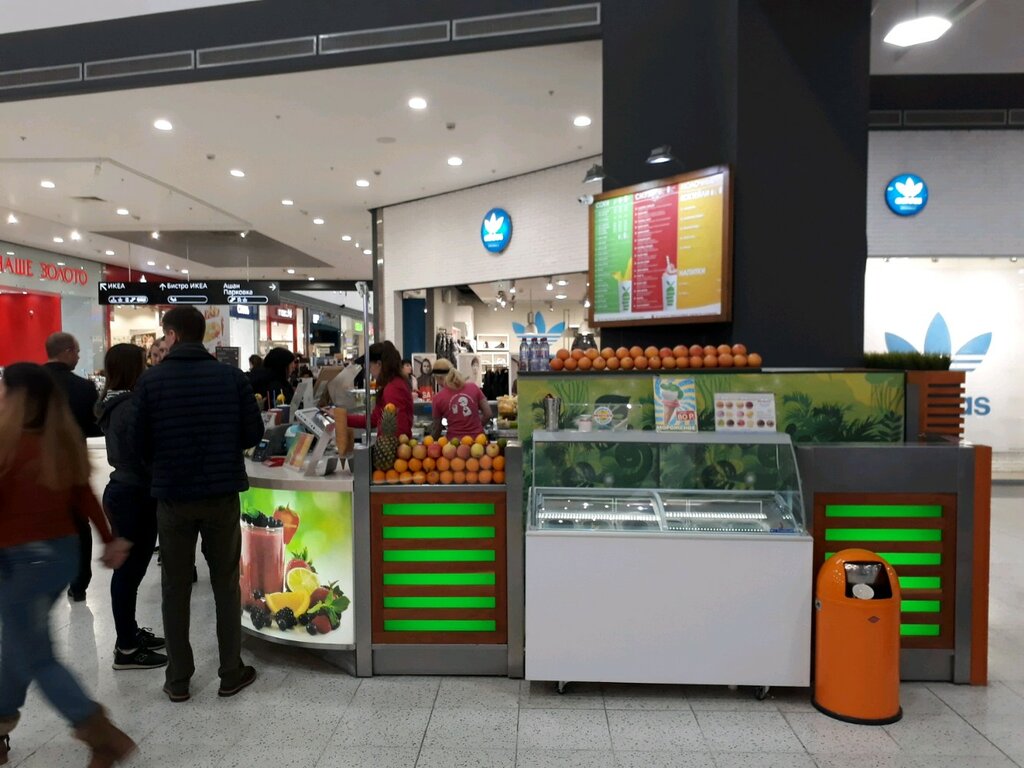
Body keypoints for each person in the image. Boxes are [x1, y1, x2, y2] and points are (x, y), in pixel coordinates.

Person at [0, 363, 135, 767]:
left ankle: (101, 735)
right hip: (59, 555)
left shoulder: (7, 442)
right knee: (19, 643)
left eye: (5, 390)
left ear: (19, 397)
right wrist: (108, 539)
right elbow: (83, 497)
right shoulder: (61, 439)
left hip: (21, 559)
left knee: (37, 655)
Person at [132, 306, 264, 703]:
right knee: (226, 583)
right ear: (202, 333)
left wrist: (164, 465)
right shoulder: (231, 378)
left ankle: (178, 679)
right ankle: (230, 671)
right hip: (221, 493)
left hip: (173, 497)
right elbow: (253, 432)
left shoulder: (151, 382)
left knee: (175, 587)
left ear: (172, 335)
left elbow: (138, 443)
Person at [96, 344, 167, 672]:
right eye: (143, 362)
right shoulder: (128, 407)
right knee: (129, 571)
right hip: (133, 494)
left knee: (132, 570)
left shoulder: (115, 403)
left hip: (127, 492)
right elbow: (141, 453)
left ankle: (129, 632)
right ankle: (126, 647)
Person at [42, 331, 100, 603]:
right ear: (66, 351)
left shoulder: (29, 384)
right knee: (79, 524)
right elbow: (92, 427)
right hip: (71, 466)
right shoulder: (83, 388)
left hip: (36, 467)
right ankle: (79, 584)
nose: (78, 356)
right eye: (76, 351)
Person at [348, 341, 413, 437]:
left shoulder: (393, 389)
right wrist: (342, 418)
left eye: (370, 366)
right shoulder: (392, 384)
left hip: (393, 445)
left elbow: (399, 428)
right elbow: (374, 419)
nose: (369, 371)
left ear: (379, 364)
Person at [431, 367, 492, 441]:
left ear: (441, 379)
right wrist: (476, 427)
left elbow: (437, 428)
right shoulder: (473, 387)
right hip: (478, 440)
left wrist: (431, 441)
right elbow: (488, 414)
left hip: (454, 442)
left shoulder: (438, 398)